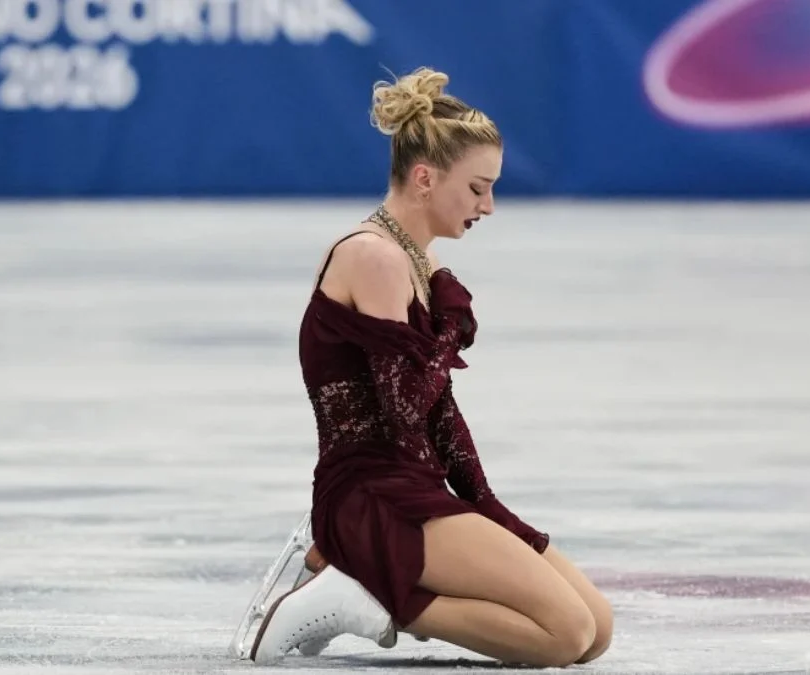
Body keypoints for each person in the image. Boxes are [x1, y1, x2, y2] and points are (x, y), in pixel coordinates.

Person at [248, 67, 614, 668]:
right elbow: (403, 410)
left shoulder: (416, 261)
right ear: (425, 178)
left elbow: (440, 410)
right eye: (477, 188)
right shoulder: (374, 258)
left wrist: (485, 502)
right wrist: (447, 325)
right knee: (564, 634)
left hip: (411, 488)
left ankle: (374, 588)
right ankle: (361, 596)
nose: (488, 206)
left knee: (596, 630)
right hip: (370, 497)